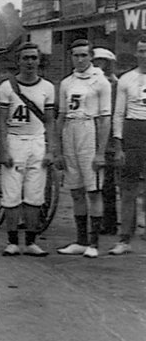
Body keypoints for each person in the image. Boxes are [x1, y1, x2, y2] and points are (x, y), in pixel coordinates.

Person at [0, 43, 56, 257]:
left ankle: (31, 241)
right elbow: (1, 122)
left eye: (33, 58)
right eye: (25, 58)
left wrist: (50, 150)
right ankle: (12, 241)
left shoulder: (48, 87)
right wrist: (4, 150)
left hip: (37, 141)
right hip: (14, 140)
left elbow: (49, 121)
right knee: (12, 194)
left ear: (39, 60)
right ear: (18, 61)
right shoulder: (6, 87)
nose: (30, 62)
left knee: (35, 194)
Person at [56, 39, 112, 258]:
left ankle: (94, 243)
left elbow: (105, 119)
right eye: (76, 55)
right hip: (71, 129)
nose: (80, 59)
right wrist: (58, 148)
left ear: (91, 57)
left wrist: (100, 152)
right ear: (71, 57)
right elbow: (61, 117)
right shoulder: (66, 83)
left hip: (90, 129)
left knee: (93, 190)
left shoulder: (101, 82)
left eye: (84, 55)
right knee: (76, 189)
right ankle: (80, 240)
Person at [111, 36, 146, 255]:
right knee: (129, 189)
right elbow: (118, 114)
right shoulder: (126, 79)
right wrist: (118, 145)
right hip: (133, 132)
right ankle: (124, 239)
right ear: (136, 53)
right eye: (141, 51)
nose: (145, 55)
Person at [92, 48, 119, 235]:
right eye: (97, 61)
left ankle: (108, 222)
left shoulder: (115, 84)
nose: (100, 65)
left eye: (103, 61)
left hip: (108, 138)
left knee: (108, 183)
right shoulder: (89, 82)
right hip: (89, 134)